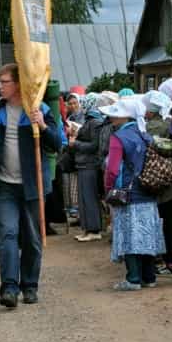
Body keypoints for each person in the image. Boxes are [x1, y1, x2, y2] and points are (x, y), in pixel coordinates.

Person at [0, 63, 62, 308]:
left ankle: (30, 285)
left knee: (33, 239)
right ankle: (10, 288)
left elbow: (57, 144)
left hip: (33, 186)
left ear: (17, 84)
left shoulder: (40, 110)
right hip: (4, 186)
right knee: (8, 235)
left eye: (4, 82)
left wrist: (43, 126)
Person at [101, 98, 165, 291]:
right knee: (147, 234)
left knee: (129, 234)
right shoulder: (145, 134)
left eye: (116, 113)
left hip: (127, 194)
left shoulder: (119, 137)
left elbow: (112, 170)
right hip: (148, 191)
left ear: (126, 116)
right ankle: (149, 276)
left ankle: (133, 278)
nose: (112, 116)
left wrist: (108, 189)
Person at [142, 91, 172, 277]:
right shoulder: (170, 124)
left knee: (164, 223)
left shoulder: (150, 128)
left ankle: (170, 261)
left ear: (150, 111)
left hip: (158, 178)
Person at [68, 94, 107, 242]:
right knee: (84, 198)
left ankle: (94, 229)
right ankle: (88, 228)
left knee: (89, 197)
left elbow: (94, 145)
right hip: (84, 163)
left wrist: (75, 143)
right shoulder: (91, 120)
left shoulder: (94, 121)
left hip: (89, 164)